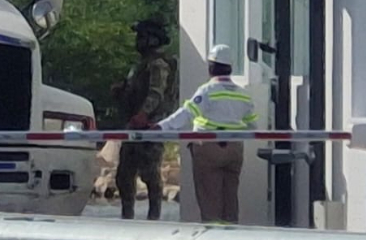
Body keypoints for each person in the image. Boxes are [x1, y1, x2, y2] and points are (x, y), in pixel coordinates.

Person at [152, 44, 256, 225]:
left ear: (211, 67)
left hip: (208, 148)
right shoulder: (244, 95)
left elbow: (186, 113)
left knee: (210, 200)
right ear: (230, 68)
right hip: (234, 150)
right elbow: (252, 125)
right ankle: (231, 237)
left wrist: (160, 128)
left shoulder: (207, 91)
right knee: (230, 198)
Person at [109, 19, 176, 220]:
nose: (138, 41)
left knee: (150, 174)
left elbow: (156, 94)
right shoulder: (141, 65)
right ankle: (127, 217)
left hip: (150, 126)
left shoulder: (158, 64)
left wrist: (143, 114)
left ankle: (153, 217)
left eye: (142, 37)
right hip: (134, 126)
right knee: (124, 176)